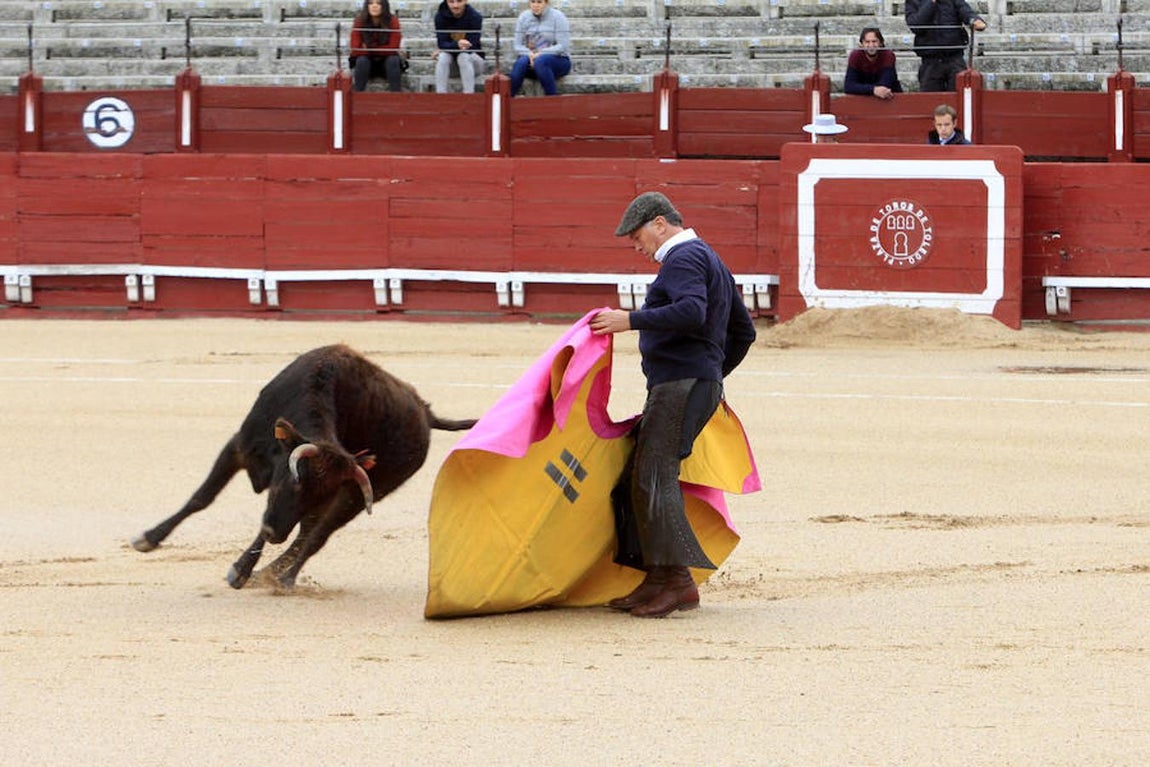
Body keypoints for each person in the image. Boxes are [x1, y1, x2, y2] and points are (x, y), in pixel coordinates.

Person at [589, 192, 757, 619]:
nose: (637, 246)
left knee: (653, 476)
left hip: (678, 384)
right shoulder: (710, 259)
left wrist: (632, 320)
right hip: (691, 382)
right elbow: (744, 332)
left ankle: (677, 581)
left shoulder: (682, 259)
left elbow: (690, 311)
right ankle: (660, 578)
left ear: (660, 223)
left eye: (638, 236)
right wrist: (711, 375)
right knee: (644, 474)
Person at [905, 0, 987, 92]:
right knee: (931, 100)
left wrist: (974, 20)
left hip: (954, 58)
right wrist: (931, 3)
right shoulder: (913, 1)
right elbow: (916, 24)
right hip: (930, 61)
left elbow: (965, 11)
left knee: (960, 95)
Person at [510, 0, 571, 97]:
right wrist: (529, 54)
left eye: (539, 2)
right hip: (531, 59)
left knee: (541, 61)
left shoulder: (558, 16)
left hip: (558, 61)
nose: (535, 5)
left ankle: (552, 100)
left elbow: (562, 45)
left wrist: (540, 53)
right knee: (521, 62)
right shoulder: (524, 17)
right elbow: (517, 45)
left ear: (546, 3)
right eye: (533, 2)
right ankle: (507, 100)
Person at [349, 0, 405, 93]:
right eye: (371, 3)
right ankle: (357, 95)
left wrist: (369, 48)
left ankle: (396, 95)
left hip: (386, 63)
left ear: (384, 6)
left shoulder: (393, 21)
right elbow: (355, 49)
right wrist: (381, 48)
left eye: (378, 3)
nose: (374, 6)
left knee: (393, 60)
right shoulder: (359, 21)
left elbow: (394, 48)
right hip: (366, 62)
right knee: (362, 60)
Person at [433, 0, 486, 94]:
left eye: (459, 1)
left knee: (463, 56)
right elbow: (441, 43)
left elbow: (472, 45)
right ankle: (440, 95)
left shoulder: (475, 17)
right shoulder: (440, 17)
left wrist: (447, 47)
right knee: (443, 56)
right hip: (452, 65)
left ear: (465, 1)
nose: (455, 5)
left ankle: (468, 95)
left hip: (473, 63)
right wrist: (456, 45)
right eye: (451, 2)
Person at [844, 27, 903, 99]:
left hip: (889, 99)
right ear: (861, 44)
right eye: (867, 42)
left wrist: (868, 89)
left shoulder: (888, 55)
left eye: (874, 41)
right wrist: (873, 89)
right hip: (863, 100)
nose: (871, 45)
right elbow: (849, 86)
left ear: (881, 43)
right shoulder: (855, 56)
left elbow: (885, 84)